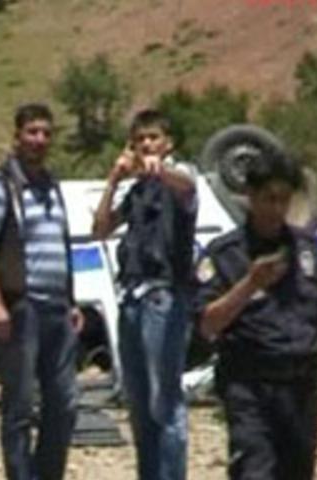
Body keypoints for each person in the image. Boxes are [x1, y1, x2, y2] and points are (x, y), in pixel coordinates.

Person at [195, 151, 317, 480]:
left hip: (301, 388)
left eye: (283, 199)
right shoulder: (226, 254)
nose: (276, 209)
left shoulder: (307, 252)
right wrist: (250, 284)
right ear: (250, 197)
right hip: (250, 387)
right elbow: (208, 324)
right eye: (268, 199)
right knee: (255, 470)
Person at [0, 102, 84, 480]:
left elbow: (61, 244)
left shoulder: (52, 187)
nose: (40, 140)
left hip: (57, 310)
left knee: (64, 403)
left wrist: (71, 299)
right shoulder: (0, 186)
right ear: (17, 136)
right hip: (23, 309)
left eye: (46, 133)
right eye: (32, 132)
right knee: (19, 406)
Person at [92, 109, 197, 480]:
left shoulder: (181, 180)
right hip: (131, 298)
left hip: (163, 296)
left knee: (165, 400)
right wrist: (113, 181)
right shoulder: (137, 192)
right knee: (138, 402)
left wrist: (158, 169)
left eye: (153, 138)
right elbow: (101, 229)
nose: (146, 145)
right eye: (139, 140)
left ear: (167, 143)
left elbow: (186, 189)